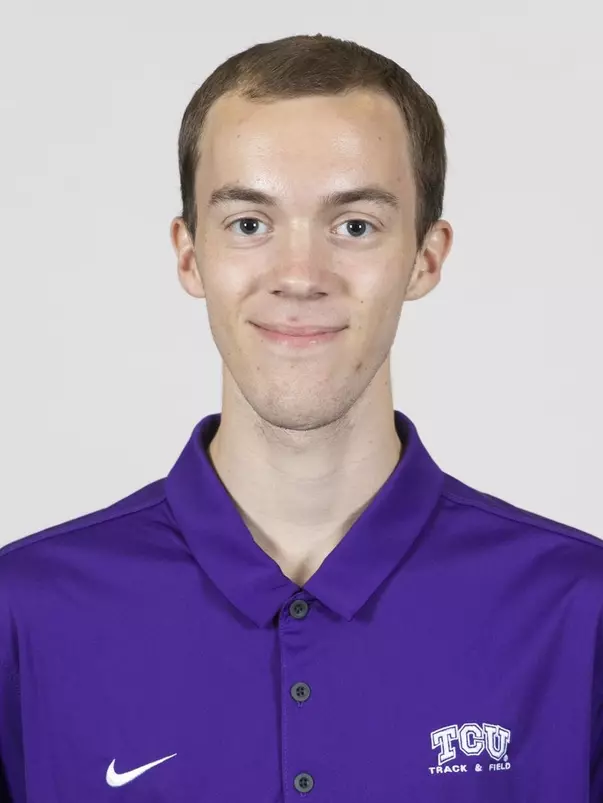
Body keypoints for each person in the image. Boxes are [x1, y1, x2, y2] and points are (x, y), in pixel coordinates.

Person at [0, 33, 601, 803]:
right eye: (249, 223)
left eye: (354, 225)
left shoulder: (579, 612)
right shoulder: (24, 614)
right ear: (189, 254)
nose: (298, 276)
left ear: (425, 257)